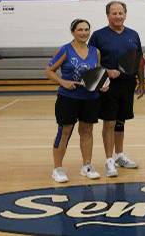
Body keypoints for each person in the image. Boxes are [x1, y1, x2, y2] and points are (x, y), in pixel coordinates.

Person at [46, 19, 106, 183]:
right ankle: (57, 168)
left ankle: (87, 165)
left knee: (87, 132)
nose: (84, 33)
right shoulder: (65, 50)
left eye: (86, 30)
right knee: (64, 132)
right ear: (73, 32)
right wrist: (63, 82)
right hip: (68, 98)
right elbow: (49, 70)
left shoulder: (95, 52)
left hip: (90, 98)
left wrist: (101, 85)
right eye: (80, 30)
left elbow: (97, 74)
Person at [89, 1, 144, 177]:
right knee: (109, 122)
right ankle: (109, 160)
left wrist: (142, 82)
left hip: (127, 84)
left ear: (125, 14)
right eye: (114, 13)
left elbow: (139, 61)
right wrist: (105, 71)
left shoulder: (133, 35)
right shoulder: (98, 36)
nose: (118, 16)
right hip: (107, 86)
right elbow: (90, 61)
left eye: (121, 13)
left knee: (121, 121)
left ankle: (120, 155)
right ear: (108, 15)